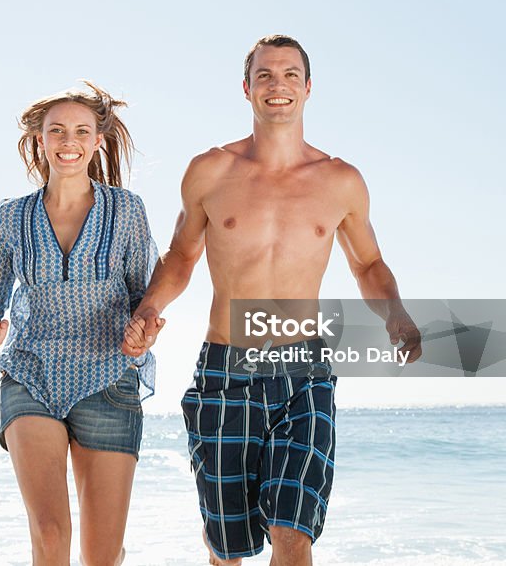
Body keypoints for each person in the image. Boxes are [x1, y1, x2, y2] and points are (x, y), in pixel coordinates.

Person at [123, 35, 422, 565]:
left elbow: (368, 264)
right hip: (225, 367)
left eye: (289, 75)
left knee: (292, 531)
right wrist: (150, 308)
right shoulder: (210, 172)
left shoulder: (340, 180)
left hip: (302, 370)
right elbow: (180, 257)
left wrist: (395, 314)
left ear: (308, 88)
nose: (277, 85)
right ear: (246, 88)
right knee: (227, 544)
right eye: (265, 75)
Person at [0, 80, 157, 566]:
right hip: (31, 375)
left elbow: (146, 297)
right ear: (41, 140)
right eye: (56, 131)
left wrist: (144, 331)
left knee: (103, 554)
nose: (68, 141)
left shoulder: (127, 211)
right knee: (51, 534)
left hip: (109, 381)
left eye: (80, 131)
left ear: (98, 140)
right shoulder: (12, 217)